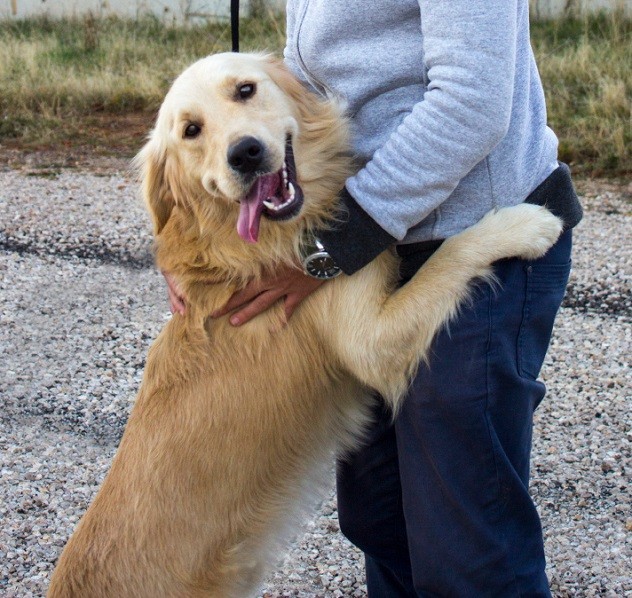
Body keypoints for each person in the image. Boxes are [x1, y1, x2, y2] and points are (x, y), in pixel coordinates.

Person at [166, 1, 583, 595]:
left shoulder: (349, 243)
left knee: (466, 550)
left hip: (470, 232)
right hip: (367, 244)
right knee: (381, 521)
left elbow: (472, 101)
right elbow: (305, 79)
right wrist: (188, 240)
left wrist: (331, 249)